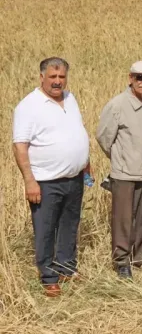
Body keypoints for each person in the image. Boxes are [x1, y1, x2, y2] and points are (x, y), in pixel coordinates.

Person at [13, 57, 91, 297]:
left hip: (74, 177)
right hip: (45, 181)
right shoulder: (28, 106)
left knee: (69, 224)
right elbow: (20, 146)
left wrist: (86, 163)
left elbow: (77, 131)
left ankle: (66, 267)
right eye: (53, 77)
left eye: (61, 77)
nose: (58, 82)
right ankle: (48, 276)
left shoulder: (70, 98)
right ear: (41, 77)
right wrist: (29, 181)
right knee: (45, 229)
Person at [96, 61, 142, 278]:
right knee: (123, 220)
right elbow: (104, 137)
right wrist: (120, 158)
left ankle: (139, 256)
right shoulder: (117, 105)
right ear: (130, 78)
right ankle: (121, 260)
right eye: (139, 77)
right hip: (124, 173)